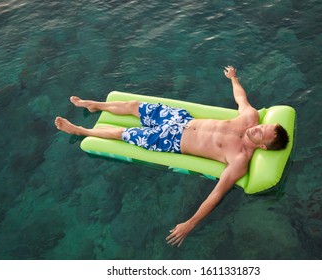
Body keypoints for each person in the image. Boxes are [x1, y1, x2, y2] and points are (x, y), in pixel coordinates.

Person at [55, 66, 289, 247]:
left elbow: (216, 194)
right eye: (264, 126)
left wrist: (190, 223)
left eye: (262, 133)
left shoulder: (240, 158)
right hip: (181, 119)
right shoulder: (250, 119)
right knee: (135, 105)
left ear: (264, 148)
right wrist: (233, 78)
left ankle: (80, 130)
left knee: (123, 133)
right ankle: (95, 105)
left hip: (172, 140)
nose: (258, 128)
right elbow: (241, 99)